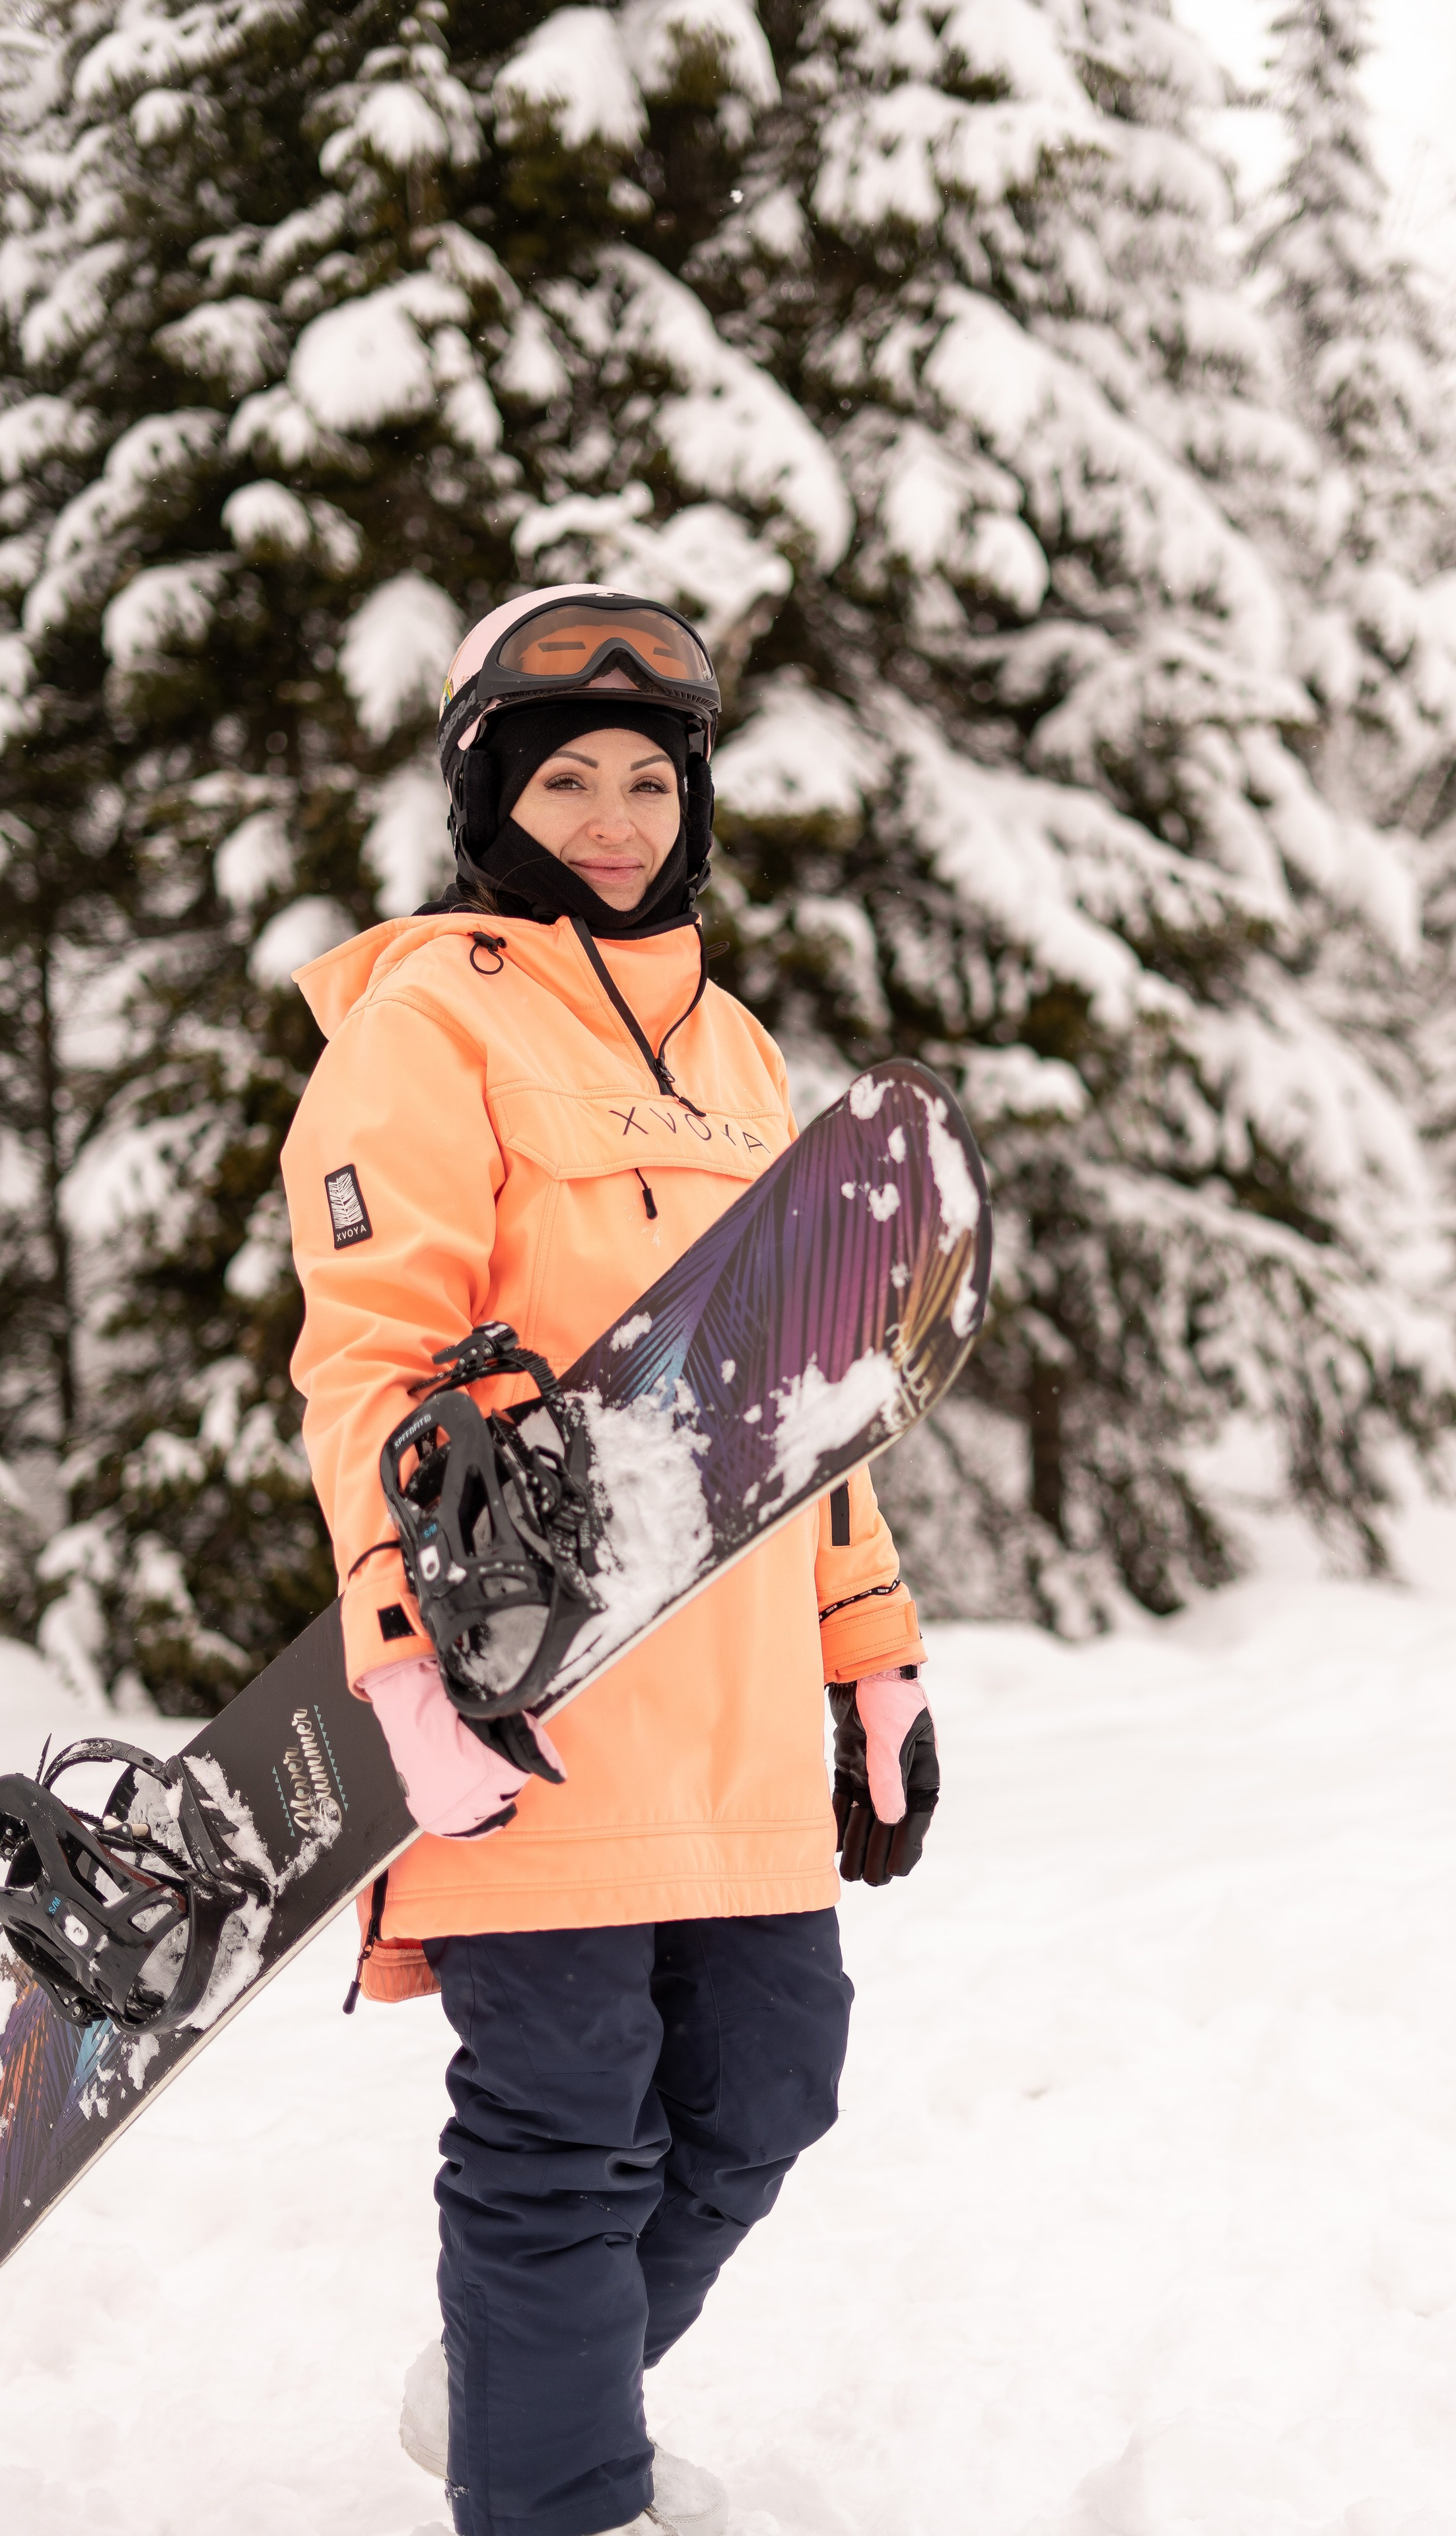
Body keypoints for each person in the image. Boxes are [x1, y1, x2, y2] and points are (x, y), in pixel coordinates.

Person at [278, 587, 940, 2536]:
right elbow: (369, 1364)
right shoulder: (429, 1027)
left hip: (731, 1708)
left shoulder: (738, 1049)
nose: (614, 818)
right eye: (565, 778)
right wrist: (405, 1664)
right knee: (560, 2140)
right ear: (493, 798)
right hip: (529, 1705)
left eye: (649, 778)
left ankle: (510, 2384)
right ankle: (562, 2491)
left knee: (772, 2088)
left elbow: (811, 1398)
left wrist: (871, 1655)